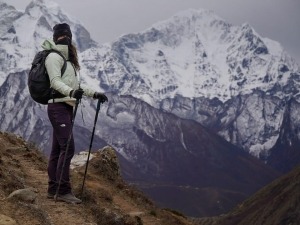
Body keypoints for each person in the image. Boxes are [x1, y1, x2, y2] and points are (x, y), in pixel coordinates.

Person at [42, 23, 108, 204]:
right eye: (63, 36)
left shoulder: (69, 61)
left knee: (57, 150)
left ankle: (53, 188)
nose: (65, 38)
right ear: (57, 37)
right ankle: (63, 190)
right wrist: (71, 93)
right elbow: (55, 82)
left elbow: (76, 87)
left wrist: (94, 94)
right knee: (67, 148)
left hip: (64, 107)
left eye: (66, 36)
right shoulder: (54, 58)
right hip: (58, 107)